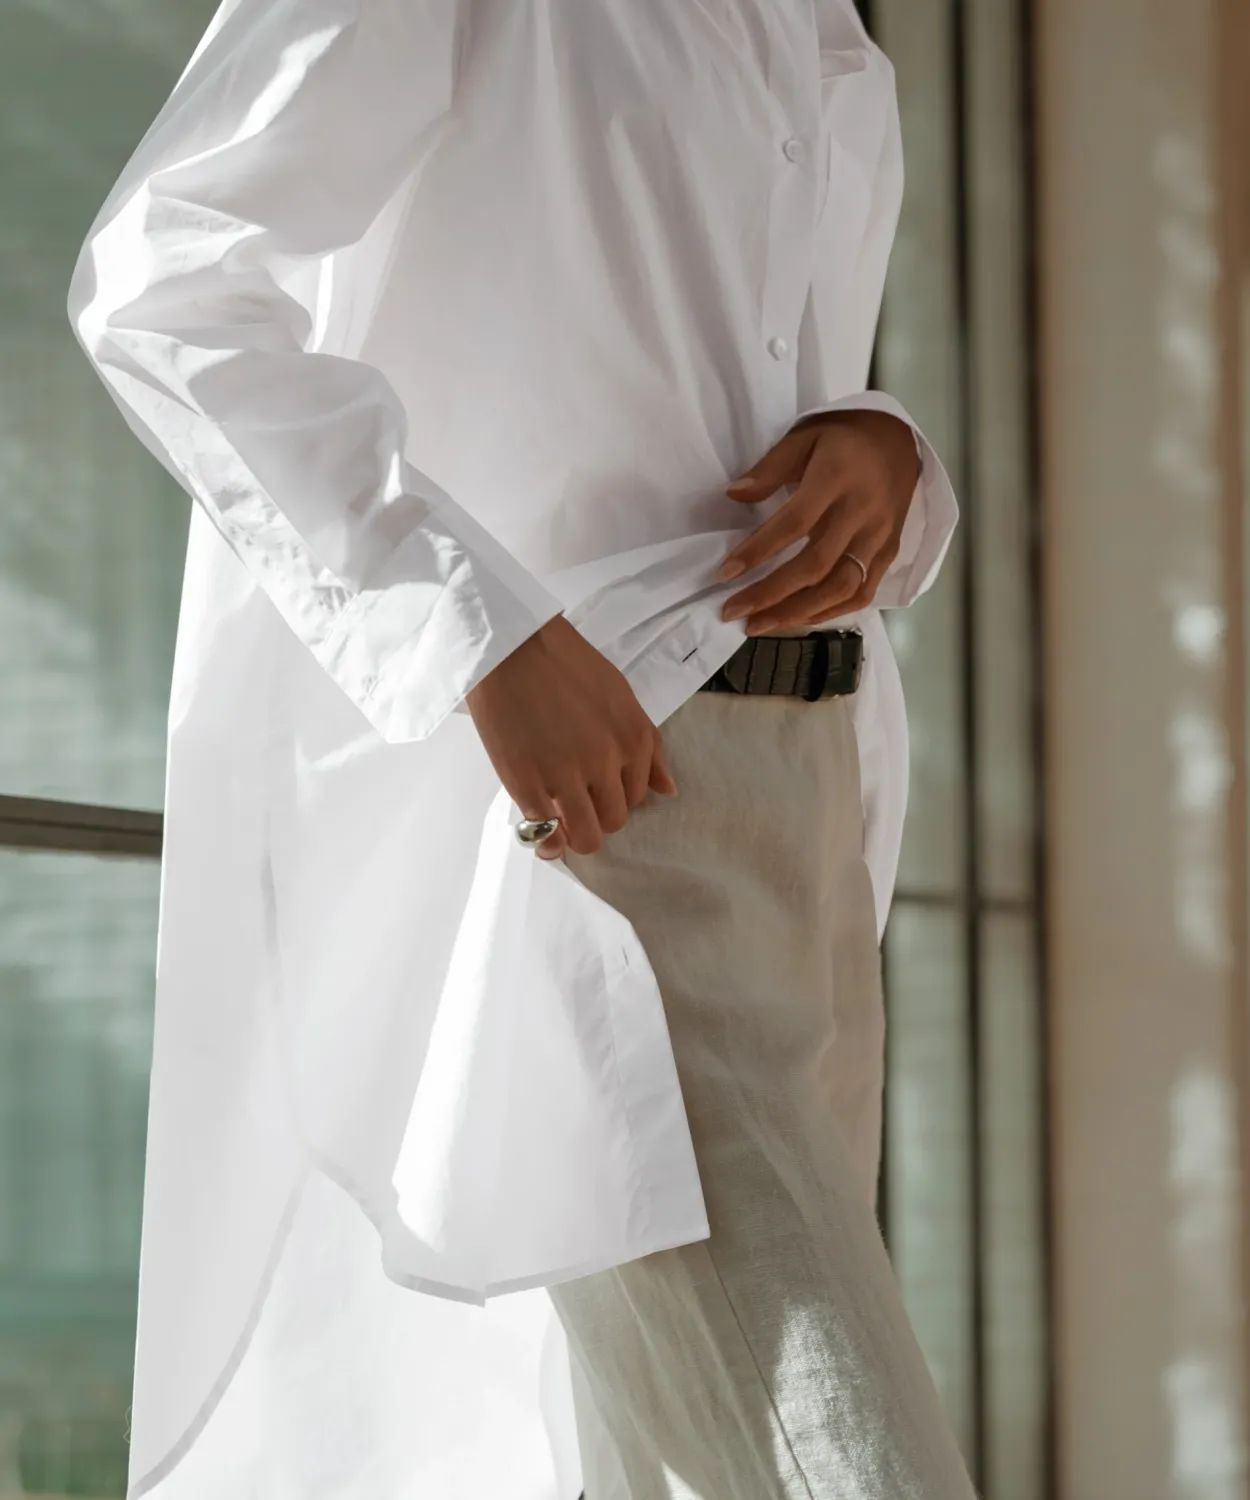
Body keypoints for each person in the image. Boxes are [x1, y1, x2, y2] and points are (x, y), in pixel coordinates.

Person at [68, 0, 977, 1495]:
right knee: (843, 1455)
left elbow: (742, 363)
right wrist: (475, 629)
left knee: (686, 1458)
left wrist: (883, 450)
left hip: (809, 800)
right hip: (613, 809)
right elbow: (167, 284)